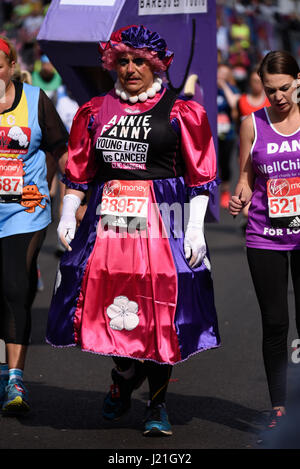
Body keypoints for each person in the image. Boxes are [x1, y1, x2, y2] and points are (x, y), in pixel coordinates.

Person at [46, 24, 220, 437]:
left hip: (164, 227)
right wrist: (68, 213)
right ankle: (124, 376)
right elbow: (79, 169)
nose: (130, 68)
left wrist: (195, 230)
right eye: (122, 60)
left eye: (139, 60)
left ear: (156, 65)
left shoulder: (183, 112)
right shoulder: (95, 110)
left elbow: (201, 177)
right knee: (110, 305)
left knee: (161, 311)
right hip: (108, 231)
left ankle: (157, 405)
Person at [229, 50, 300, 434]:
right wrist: (239, 194)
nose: (278, 97)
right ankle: (279, 408)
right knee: (275, 324)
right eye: (270, 90)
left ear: (299, 81)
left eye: (285, 88)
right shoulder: (252, 124)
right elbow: (245, 175)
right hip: (265, 235)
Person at [0, 36, 68, 415]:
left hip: (24, 210)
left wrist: (68, 191)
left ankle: (14, 379)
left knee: (14, 285)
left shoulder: (36, 100)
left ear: (11, 69)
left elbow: (61, 146)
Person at [217, 62, 240, 208]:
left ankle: (225, 190)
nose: (221, 77)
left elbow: (234, 104)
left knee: (225, 163)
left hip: (228, 133)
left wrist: (224, 86)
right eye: (220, 73)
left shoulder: (232, 89)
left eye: (225, 75)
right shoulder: (209, 89)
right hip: (213, 133)